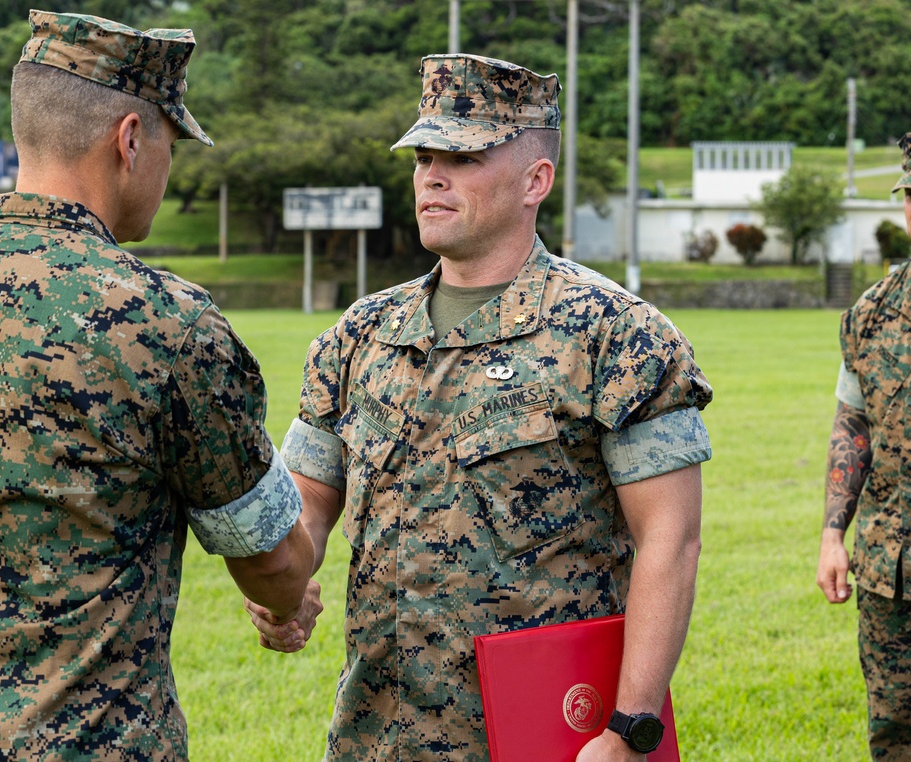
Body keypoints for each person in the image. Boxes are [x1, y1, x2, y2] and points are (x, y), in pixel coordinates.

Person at [248, 54, 713, 761]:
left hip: (542, 733)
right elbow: (307, 506)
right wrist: (286, 586)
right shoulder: (360, 334)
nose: (432, 175)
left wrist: (629, 728)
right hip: (378, 733)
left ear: (536, 180)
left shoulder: (616, 334)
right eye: (425, 155)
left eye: (462, 157)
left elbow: (670, 543)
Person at [0, 11, 316, 760]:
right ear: (130, 139)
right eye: (169, 144)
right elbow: (274, 560)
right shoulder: (165, 324)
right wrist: (290, 600)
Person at [817, 131, 911, 760]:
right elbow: (853, 426)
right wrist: (832, 534)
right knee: (901, 741)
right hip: (892, 578)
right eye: (909, 193)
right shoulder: (872, 313)